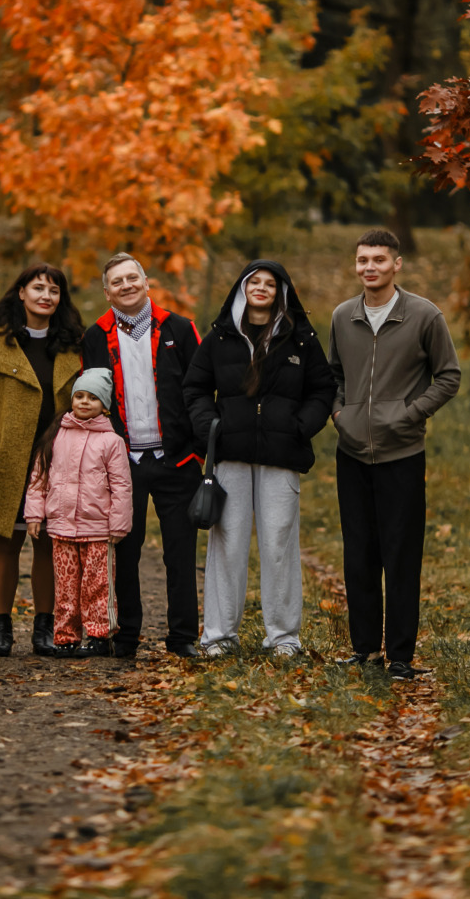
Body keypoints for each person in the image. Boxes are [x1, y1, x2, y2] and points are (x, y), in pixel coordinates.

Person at [328, 229, 462, 680]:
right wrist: (339, 412)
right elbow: (334, 375)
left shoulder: (424, 316)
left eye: (379, 260)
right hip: (351, 454)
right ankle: (364, 648)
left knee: (401, 556)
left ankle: (400, 655)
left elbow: (448, 376)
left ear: (396, 264)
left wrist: (409, 415)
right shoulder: (343, 316)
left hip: (402, 454)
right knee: (359, 553)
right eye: (363, 260)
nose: (370, 267)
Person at [184, 261, 335, 658]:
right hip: (229, 456)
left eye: (271, 284)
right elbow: (195, 387)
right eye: (255, 282)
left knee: (280, 544)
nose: (262, 289)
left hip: (281, 457)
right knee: (227, 543)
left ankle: (283, 638)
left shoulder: (301, 338)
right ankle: (218, 637)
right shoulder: (220, 337)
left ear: (281, 292)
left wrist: (300, 427)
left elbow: (323, 388)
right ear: (242, 288)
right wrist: (210, 426)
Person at [81, 252, 202, 659]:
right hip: (122, 462)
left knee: (180, 553)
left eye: (133, 277)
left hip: (176, 459)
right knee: (124, 552)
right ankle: (126, 635)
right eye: (117, 281)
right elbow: (91, 400)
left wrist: (198, 451)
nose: (126, 285)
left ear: (146, 281)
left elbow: (200, 391)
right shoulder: (95, 336)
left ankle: (183, 637)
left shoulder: (179, 329)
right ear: (106, 291)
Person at [0, 264, 85, 657]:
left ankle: (43, 630)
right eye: (38, 288)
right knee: (8, 540)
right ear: (21, 292)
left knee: (50, 543)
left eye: (54, 290)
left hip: (57, 459)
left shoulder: (71, 345)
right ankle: (1, 631)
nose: (46, 296)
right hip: (9, 457)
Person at [24, 369, 132, 658]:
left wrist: (119, 524)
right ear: (72, 400)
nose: (85, 402)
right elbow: (39, 477)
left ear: (105, 405)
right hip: (61, 527)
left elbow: (122, 485)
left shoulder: (112, 442)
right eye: (80, 396)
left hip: (98, 529)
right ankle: (66, 637)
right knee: (66, 585)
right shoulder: (56, 436)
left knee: (97, 585)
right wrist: (35, 515)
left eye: (93, 397)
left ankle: (99, 637)